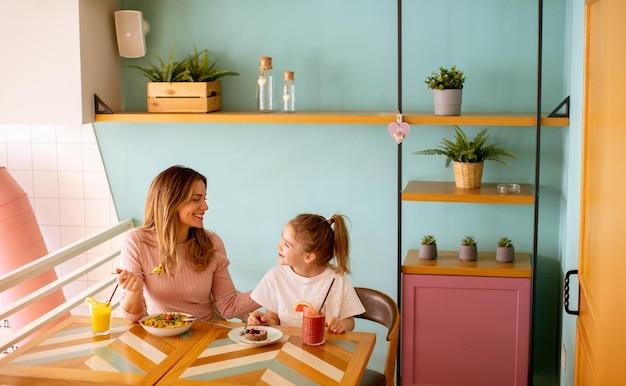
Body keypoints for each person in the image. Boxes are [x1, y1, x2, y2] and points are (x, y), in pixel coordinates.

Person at [116, 165, 258, 323]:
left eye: (204, 198)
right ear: (171, 202)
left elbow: (228, 306)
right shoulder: (137, 241)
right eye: (196, 199)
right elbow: (132, 317)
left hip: (208, 332)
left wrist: (271, 289)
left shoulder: (212, 243)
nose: (205, 206)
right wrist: (134, 292)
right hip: (164, 335)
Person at [247, 213, 365, 333]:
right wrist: (265, 320)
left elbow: (349, 322)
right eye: (282, 238)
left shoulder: (337, 280)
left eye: (287, 245)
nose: (279, 246)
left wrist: (342, 325)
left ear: (308, 257)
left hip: (324, 348)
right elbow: (273, 319)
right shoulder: (276, 276)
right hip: (287, 348)